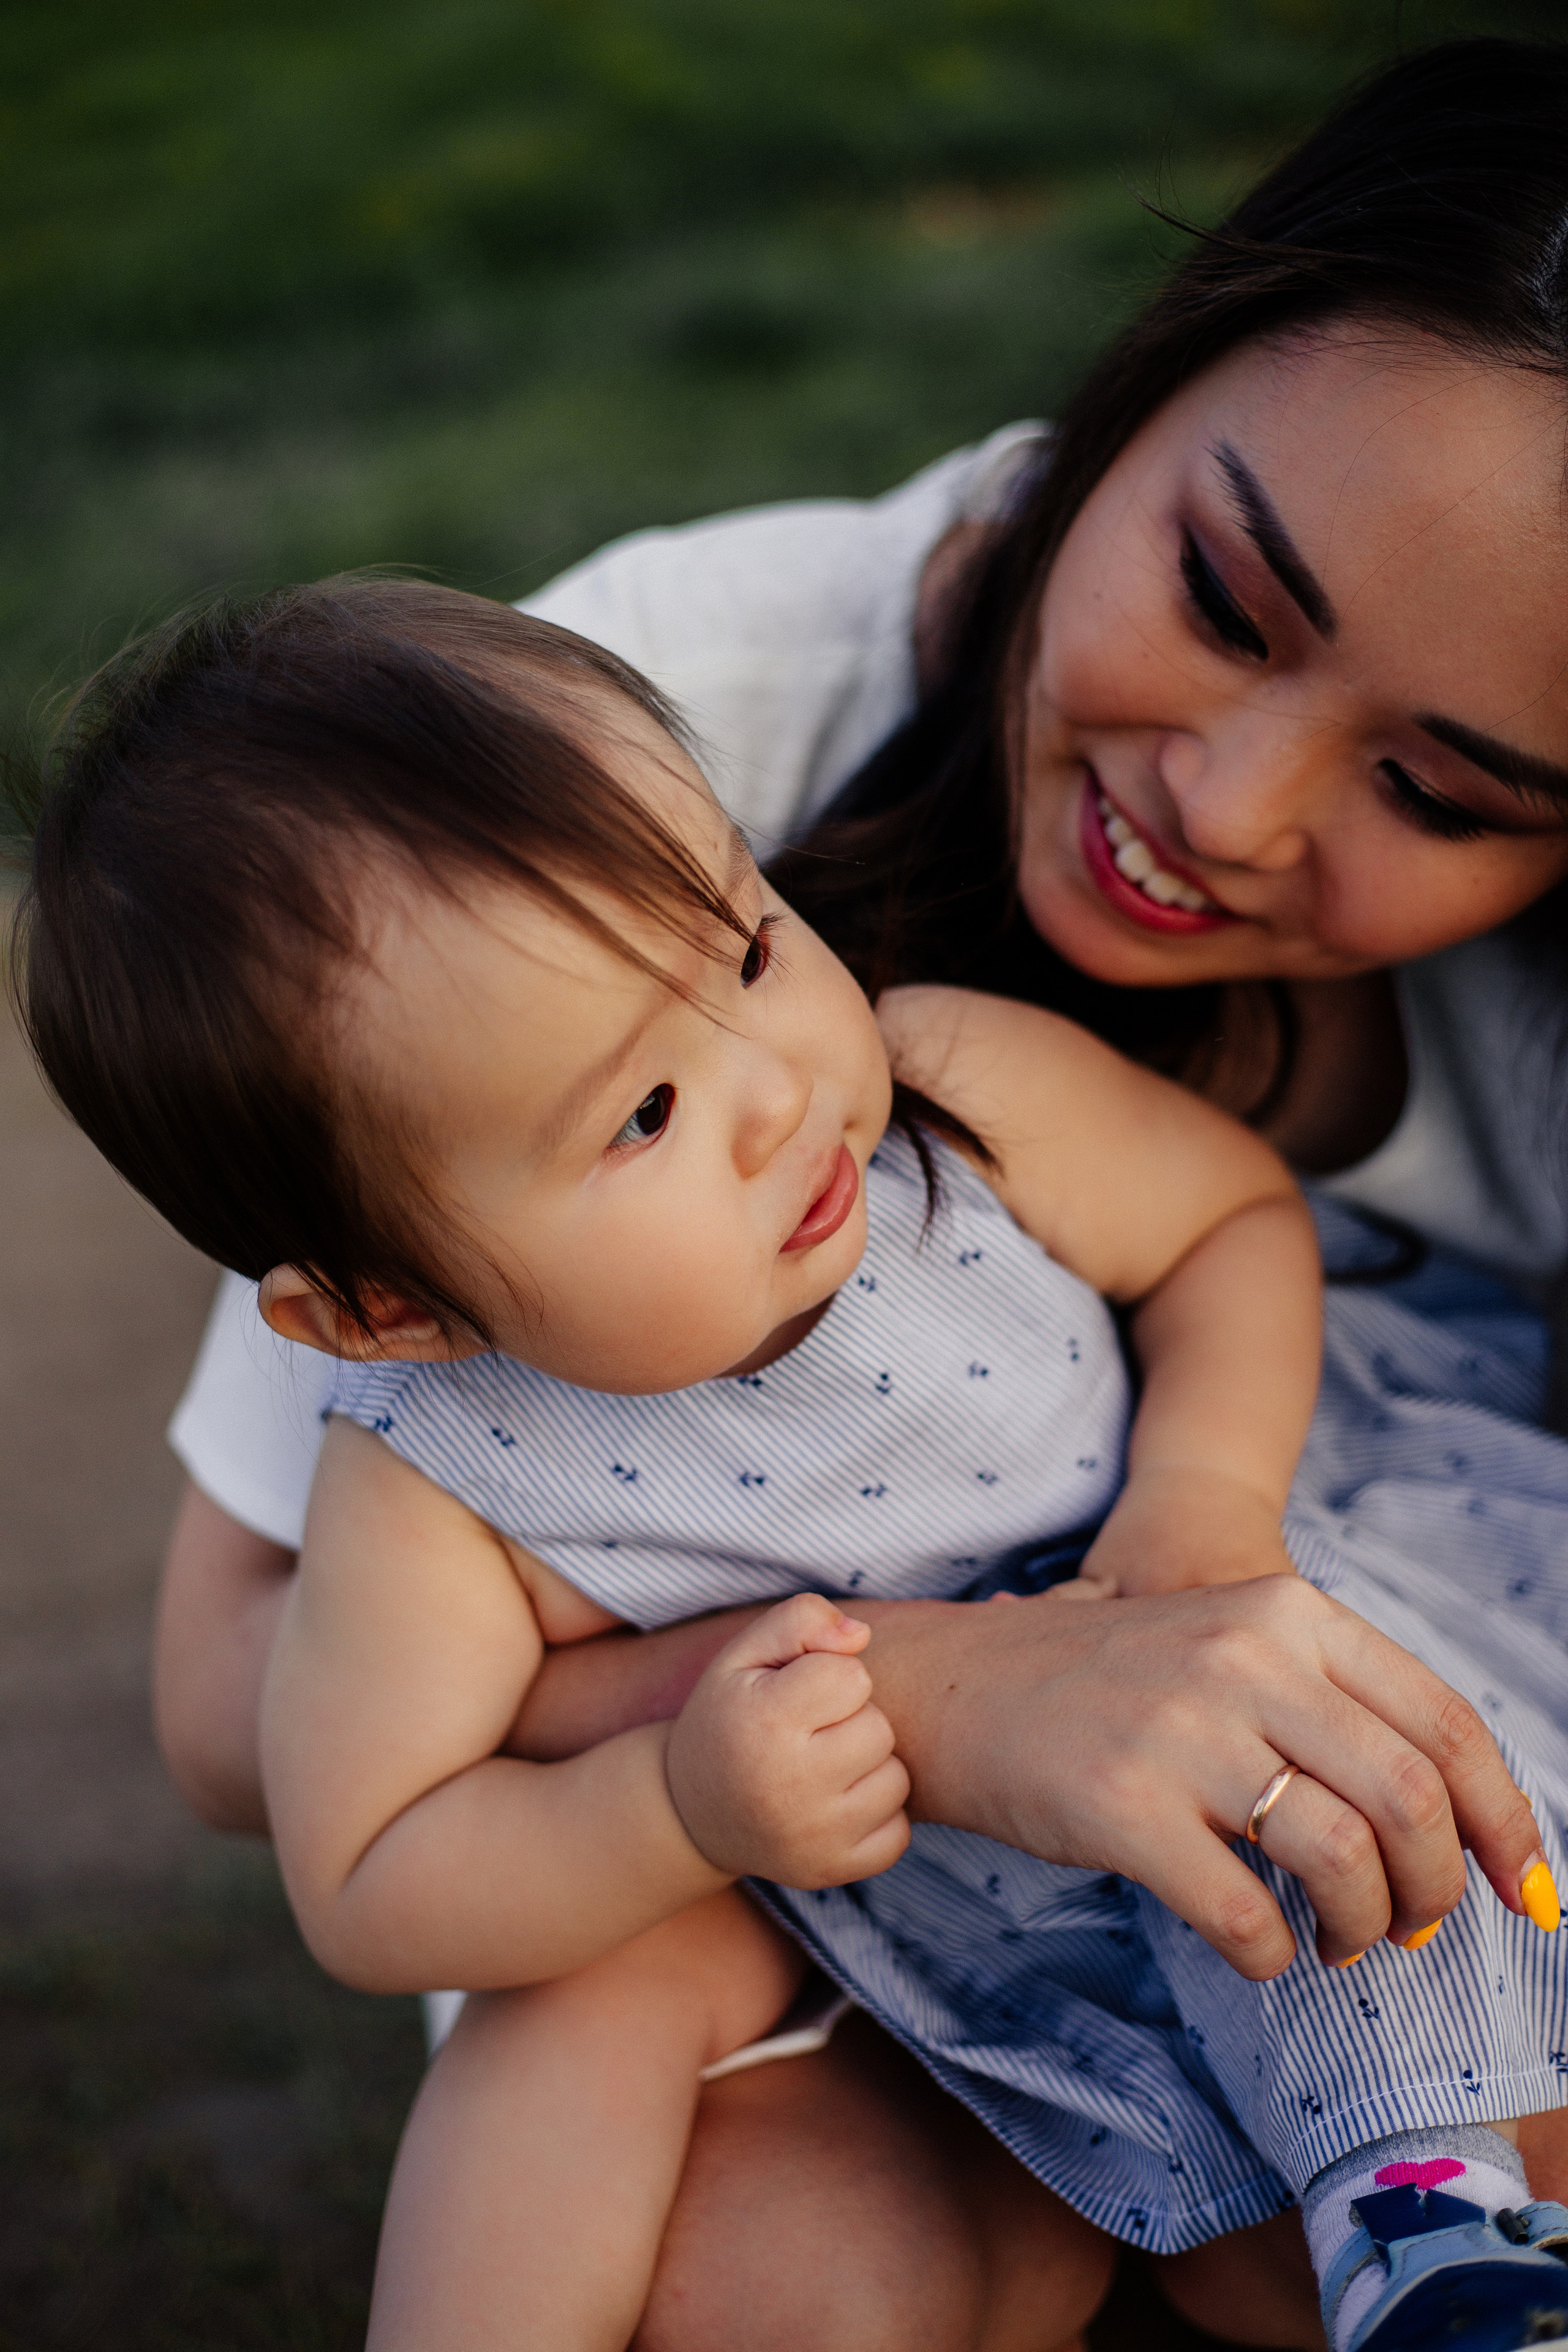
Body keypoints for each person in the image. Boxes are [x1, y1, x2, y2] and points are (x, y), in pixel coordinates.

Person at [124, 32, 1568, 2348]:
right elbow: (245, 1717)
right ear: (1136, 376)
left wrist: (1189, 1531)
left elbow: (1222, 1237)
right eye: (1225, 596)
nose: (1230, 804)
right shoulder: (544, 789)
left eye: (1442, 782)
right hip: (806, 1890)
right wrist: (924, 1705)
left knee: (1375, 2057)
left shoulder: (929, 1091)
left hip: (1271, 1750)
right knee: (751, 2257)